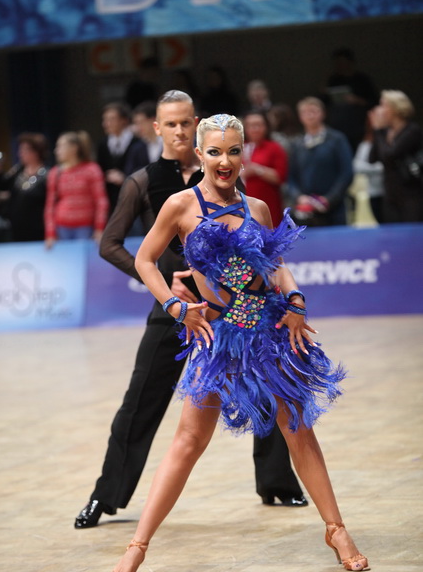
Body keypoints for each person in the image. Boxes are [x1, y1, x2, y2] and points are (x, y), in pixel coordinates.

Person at [106, 113, 369, 572]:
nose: (224, 161)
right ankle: (137, 547)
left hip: (267, 332)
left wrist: (295, 300)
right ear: (199, 154)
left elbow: (275, 266)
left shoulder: (258, 208)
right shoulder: (180, 205)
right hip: (218, 337)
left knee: (298, 430)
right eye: (214, 152)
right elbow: (144, 259)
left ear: (242, 152)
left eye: (233, 151)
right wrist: (173, 304)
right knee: (188, 441)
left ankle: (336, 529)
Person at [74, 92, 306, 531]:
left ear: (195, 126)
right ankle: (106, 496)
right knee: (141, 400)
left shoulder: (224, 175)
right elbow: (111, 244)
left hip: (230, 311)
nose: (179, 130)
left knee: (265, 387)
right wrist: (167, 283)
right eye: (170, 124)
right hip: (174, 309)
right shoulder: (142, 181)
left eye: (185, 122)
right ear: (156, 128)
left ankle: (277, 483)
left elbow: (257, 247)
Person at [289, 97, 353, 227]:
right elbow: (290, 177)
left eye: (313, 111)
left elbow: (347, 173)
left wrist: (329, 199)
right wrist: (299, 197)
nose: (310, 115)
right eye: (305, 112)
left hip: (334, 208)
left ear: (323, 114)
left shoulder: (337, 139)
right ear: (300, 117)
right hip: (306, 209)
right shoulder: (297, 143)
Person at [44, 131, 109, 247]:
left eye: (60, 146)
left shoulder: (92, 170)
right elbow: (50, 205)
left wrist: (100, 228)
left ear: (74, 148)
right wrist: (50, 233)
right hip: (61, 228)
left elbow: (101, 201)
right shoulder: (55, 173)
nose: (56, 151)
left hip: (86, 228)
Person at [369, 90, 423, 223]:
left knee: (411, 231)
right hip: (390, 194)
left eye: (383, 105)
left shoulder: (412, 130)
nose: (379, 110)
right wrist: (378, 132)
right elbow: (372, 158)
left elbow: (390, 155)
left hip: (410, 194)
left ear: (395, 108)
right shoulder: (384, 132)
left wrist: (378, 131)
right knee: (392, 232)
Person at [323, 47, 379, 153]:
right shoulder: (334, 80)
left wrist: (357, 100)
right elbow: (324, 102)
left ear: (350, 62)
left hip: (358, 126)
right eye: (337, 63)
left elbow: (374, 102)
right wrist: (325, 93)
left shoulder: (362, 80)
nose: (340, 65)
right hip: (338, 125)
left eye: (342, 62)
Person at [0, 133, 48, 242]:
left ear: (36, 152)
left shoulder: (47, 174)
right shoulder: (18, 170)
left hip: (37, 228)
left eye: (24, 150)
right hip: (15, 227)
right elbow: (2, 185)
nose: (20, 154)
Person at [242, 110, 288, 227]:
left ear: (266, 127)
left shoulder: (274, 148)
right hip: (243, 205)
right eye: (251, 125)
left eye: (259, 125)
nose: (255, 129)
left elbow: (280, 177)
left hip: (268, 205)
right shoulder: (238, 148)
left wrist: (258, 170)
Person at [97, 102, 139, 215]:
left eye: (111, 119)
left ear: (124, 120)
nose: (106, 124)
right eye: (105, 119)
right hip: (111, 201)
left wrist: (125, 178)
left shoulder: (137, 142)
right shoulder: (103, 144)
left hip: (134, 199)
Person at [353, 114, 385, 224]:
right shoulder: (366, 143)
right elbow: (357, 166)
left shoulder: (393, 138)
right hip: (374, 191)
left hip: (392, 193)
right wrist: (382, 168)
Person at [124, 101, 163, 176]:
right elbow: (130, 174)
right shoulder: (136, 148)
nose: (138, 127)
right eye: (136, 123)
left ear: (153, 120)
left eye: (141, 122)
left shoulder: (169, 143)